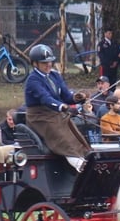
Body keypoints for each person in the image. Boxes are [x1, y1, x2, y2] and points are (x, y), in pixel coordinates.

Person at [24, 44, 91, 172]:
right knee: (63, 138)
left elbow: (66, 95)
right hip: (40, 117)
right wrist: (63, 107)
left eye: (50, 61)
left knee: (75, 134)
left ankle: (86, 156)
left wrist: (77, 97)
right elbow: (46, 99)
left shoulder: (54, 75)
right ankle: (80, 165)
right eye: (44, 62)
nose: (48, 64)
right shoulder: (33, 80)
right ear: (35, 64)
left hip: (56, 114)